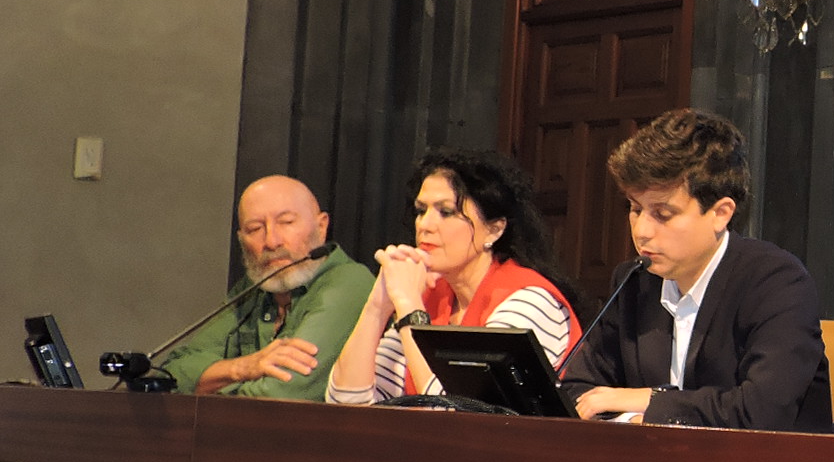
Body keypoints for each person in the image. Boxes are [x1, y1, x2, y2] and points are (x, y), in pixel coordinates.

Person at [557, 109, 832, 430]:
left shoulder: (777, 283)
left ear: (720, 213)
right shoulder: (633, 281)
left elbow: (761, 411)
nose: (642, 231)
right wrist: (635, 419)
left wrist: (651, 401)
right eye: (635, 209)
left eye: (662, 214)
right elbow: (578, 390)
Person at [326, 151, 582, 405]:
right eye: (421, 211)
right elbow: (346, 403)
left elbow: (460, 413)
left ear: (494, 230)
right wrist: (377, 307)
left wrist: (409, 310)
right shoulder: (429, 296)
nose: (424, 225)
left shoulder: (530, 300)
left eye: (446, 212)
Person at [160, 176, 375, 399]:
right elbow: (171, 374)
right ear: (241, 239)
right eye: (255, 229)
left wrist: (211, 384)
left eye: (286, 223)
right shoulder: (255, 286)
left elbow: (281, 393)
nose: (272, 242)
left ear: (321, 227)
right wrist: (242, 368)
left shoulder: (348, 282)